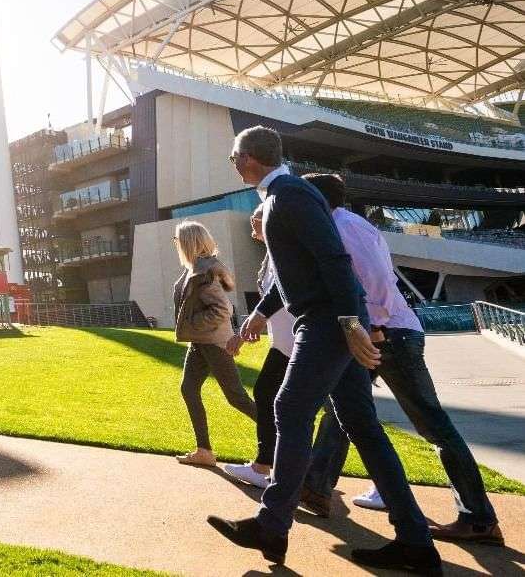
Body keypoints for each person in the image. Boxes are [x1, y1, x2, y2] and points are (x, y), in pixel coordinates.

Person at [207, 126, 441, 574]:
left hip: (326, 324)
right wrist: (262, 315)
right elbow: (302, 271)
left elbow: (334, 260)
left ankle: (271, 525)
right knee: (363, 428)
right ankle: (416, 542)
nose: (233, 165)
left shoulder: (287, 195)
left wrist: (354, 324)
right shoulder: (287, 196)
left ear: (248, 159)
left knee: (289, 409)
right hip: (330, 320)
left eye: (234, 157)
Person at [300, 173, 502, 546]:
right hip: (383, 332)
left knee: (432, 425)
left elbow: (376, 279)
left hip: (389, 335)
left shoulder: (346, 227)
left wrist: (374, 324)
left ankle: (478, 518)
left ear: (316, 199)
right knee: (343, 410)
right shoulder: (345, 225)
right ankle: (314, 487)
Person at [171, 219, 258, 467]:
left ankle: (284, 444)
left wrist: (192, 324)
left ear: (189, 242)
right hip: (200, 343)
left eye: (177, 240)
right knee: (189, 389)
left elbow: (223, 309)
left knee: (236, 397)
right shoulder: (195, 268)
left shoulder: (205, 271)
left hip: (213, 342)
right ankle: (204, 451)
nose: (175, 245)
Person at [221, 202, 295, 490]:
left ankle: (273, 466)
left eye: (255, 225)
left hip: (300, 342)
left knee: (343, 415)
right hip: (285, 342)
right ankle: (268, 464)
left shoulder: (285, 252)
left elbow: (279, 294)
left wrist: (253, 323)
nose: (253, 233)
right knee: (268, 394)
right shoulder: (273, 255)